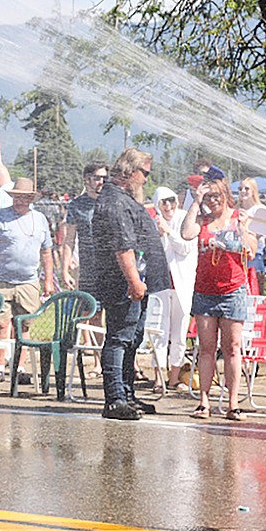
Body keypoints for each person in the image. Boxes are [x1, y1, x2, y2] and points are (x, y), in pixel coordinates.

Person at [91, 148, 170, 420]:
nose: (146, 179)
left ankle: (127, 394)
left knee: (132, 339)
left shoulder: (124, 199)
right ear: (129, 172)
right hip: (121, 283)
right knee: (119, 338)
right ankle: (114, 399)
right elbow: (122, 247)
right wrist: (134, 281)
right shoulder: (114, 202)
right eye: (144, 173)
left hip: (135, 282)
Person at [181, 174, 256, 421]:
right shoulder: (202, 220)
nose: (213, 201)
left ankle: (233, 403)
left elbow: (252, 251)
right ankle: (204, 401)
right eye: (209, 196)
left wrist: (243, 228)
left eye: (217, 195)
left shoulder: (238, 218)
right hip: (205, 290)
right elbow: (186, 233)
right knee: (206, 348)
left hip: (232, 290)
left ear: (226, 195)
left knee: (232, 348)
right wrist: (196, 201)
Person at [0, 176, 55, 384]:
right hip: (1, 280)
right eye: (16, 197)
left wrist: (48, 280)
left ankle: (19, 368)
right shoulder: (0, 216)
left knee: (24, 325)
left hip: (28, 281)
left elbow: (47, 252)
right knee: (0, 324)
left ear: (31, 198)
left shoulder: (39, 220)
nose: (19, 200)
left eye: (24, 197)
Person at [61, 162, 109, 376]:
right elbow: (69, 239)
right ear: (87, 179)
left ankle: (117, 362)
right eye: (98, 177)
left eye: (104, 178)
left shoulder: (111, 202)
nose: (101, 182)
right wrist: (65, 269)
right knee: (94, 314)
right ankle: (98, 361)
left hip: (114, 268)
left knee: (117, 316)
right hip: (89, 269)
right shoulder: (77, 205)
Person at [151, 186, 197, 393]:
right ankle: (158, 378)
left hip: (183, 284)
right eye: (163, 202)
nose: (168, 206)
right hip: (160, 284)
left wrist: (169, 232)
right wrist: (160, 233)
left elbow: (185, 248)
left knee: (179, 332)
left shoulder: (184, 219)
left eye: (171, 201)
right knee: (159, 331)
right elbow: (152, 253)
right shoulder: (154, 223)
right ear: (157, 205)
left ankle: (174, 377)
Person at [238, 177, 266, 293]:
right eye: (240, 189)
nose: (243, 191)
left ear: (253, 191)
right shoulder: (235, 209)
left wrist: (246, 224)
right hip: (237, 254)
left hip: (254, 254)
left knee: (255, 289)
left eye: (246, 188)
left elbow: (262, 232)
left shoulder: (260, 209)